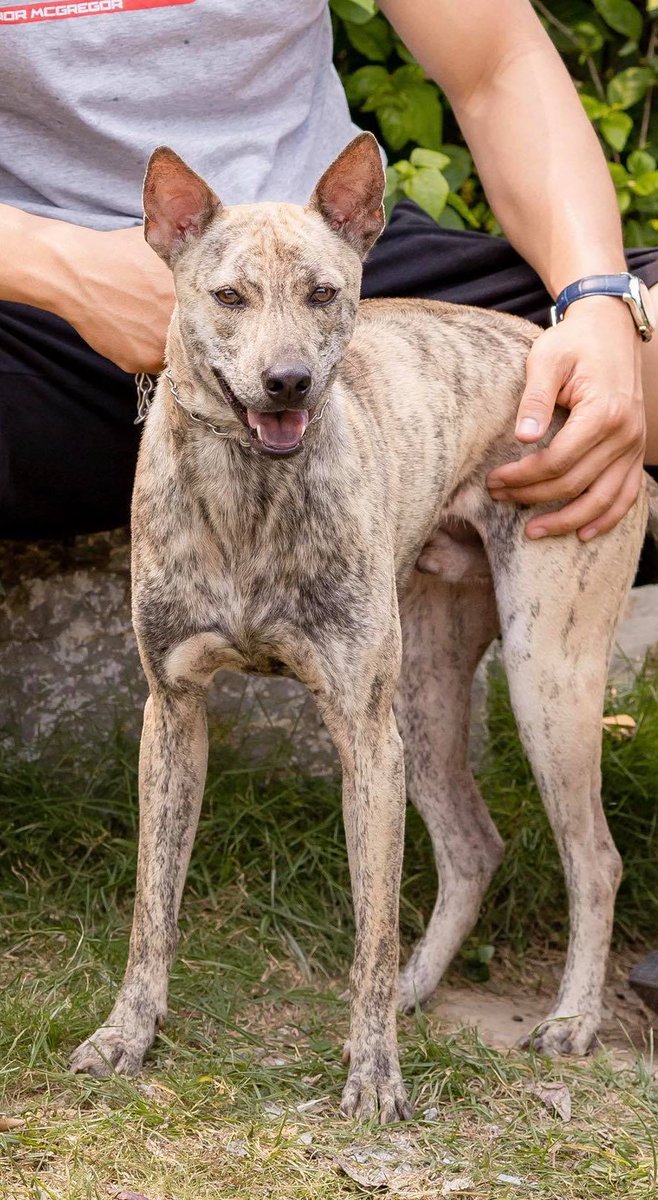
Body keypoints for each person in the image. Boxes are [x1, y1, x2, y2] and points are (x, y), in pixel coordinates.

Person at [1, 0, 657, 541]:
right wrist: (58, 264)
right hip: (48, 324)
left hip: (329, 278)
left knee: (641, 351)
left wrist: (598, 298)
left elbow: (496, 66)